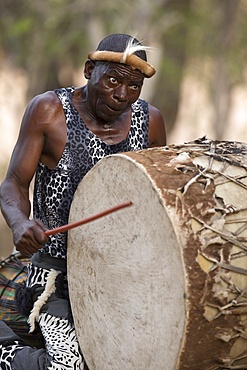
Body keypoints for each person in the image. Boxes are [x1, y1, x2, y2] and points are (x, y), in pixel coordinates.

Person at [0, 33, 166, 369]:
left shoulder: (150, 122)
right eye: (113, 80)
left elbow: (158, 198)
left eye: (134, 86)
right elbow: (14, 183)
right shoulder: (49, 111)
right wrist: (20, 223)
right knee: (68, 367)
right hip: (53, 275)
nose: (122, 94)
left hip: (120, 275)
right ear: (90, 69)